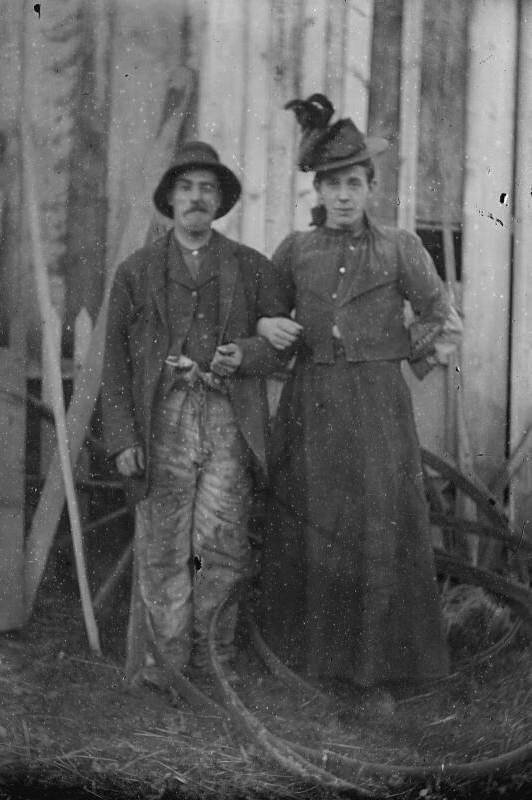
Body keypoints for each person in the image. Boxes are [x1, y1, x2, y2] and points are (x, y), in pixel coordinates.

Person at [257, 100, 462, 709]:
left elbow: (441, 318)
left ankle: (378, 675)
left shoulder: (400, 249)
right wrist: (270, 326)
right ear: (317, 188)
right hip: (311, 403)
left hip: (378, 407)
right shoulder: (295, 250)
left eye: (354, 183)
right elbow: (264, 316)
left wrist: (404, 350)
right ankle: (312, 668)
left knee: (381, 529)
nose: (343, 195)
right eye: (332, 184)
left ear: (371, 188)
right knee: (314, 527)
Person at [101, 141, 287, 690]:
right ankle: (165, 671)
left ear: (220, 200)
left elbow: (282, 344)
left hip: (229, 422)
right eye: (186, 188)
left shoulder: (251, 268)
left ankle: (215, 667)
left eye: (207, 188)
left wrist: (245, 354)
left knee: (223, 548)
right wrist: (121, 438)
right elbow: (112, 360)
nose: (196, 198)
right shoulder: (136, 272)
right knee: (162, 549)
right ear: (170, 200)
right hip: (163, 422)